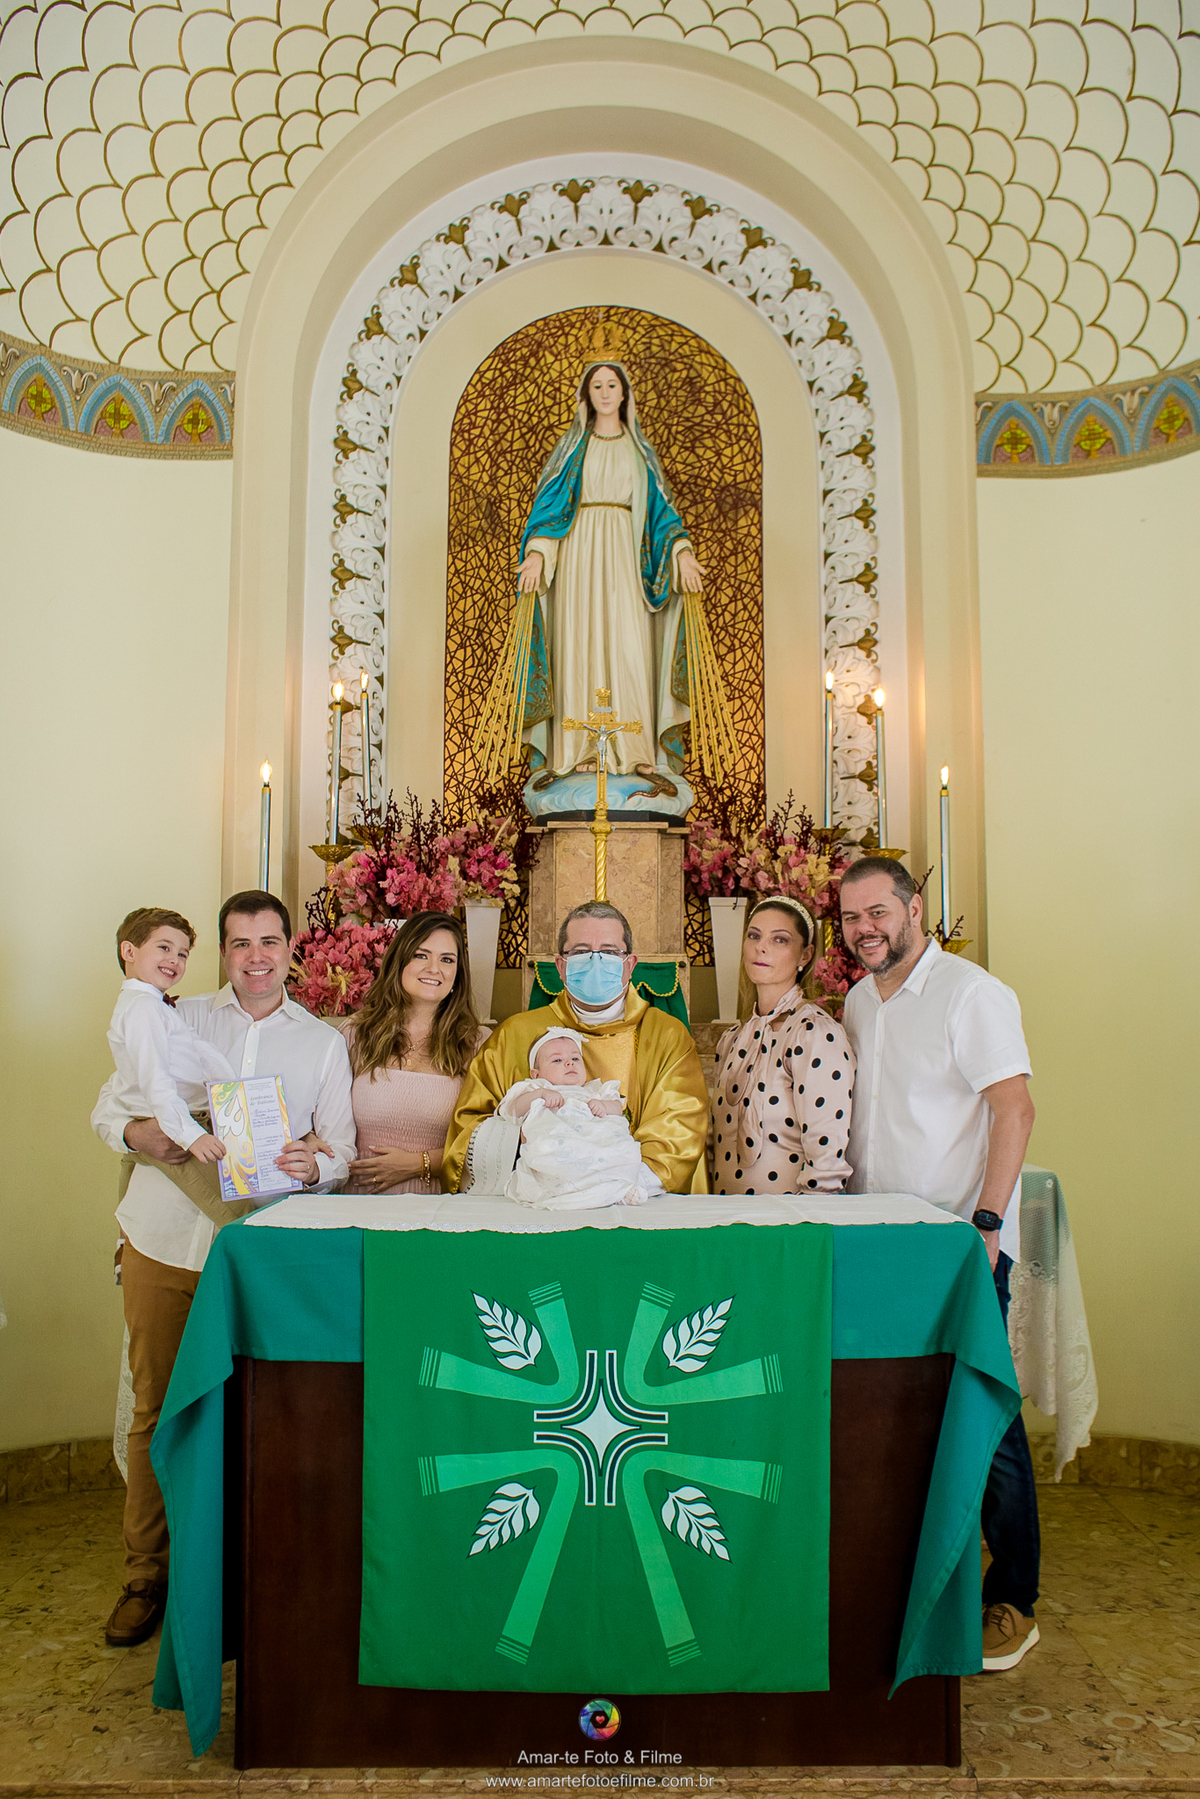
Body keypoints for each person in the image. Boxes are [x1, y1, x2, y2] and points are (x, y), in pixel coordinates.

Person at [91, 890, 356, 1651]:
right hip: (164, 1241)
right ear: (221, 951)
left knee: (255, 1412)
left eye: (269, 942)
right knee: (157, 1407)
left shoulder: (321, 1042)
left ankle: (246, 1575)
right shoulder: (176, 1017)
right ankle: (148, 1575)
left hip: (258, 1256)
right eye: (240, 943)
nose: (256, 957)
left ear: (291, 948)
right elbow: (107, 1110)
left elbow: (341, 1149)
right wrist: (140, 1132)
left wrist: (314, 1164)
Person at [839, 855, 1039, 1673]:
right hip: (881, 1242)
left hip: (956, 1242)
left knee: (984, 1413)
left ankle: (1014, 1597)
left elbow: (1014, 1108)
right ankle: (920, 1576)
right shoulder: (858, 999)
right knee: (899, 1406)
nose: (865, 929)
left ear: (914, 907)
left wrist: (984, 1226)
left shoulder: (970, 993)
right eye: (851, 917)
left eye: (878, 912)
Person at [479, 361, 723, 781]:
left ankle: (635, 749)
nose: (606, 392)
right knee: (579, 643)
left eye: (612, 385)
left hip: (627, 559)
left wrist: (681, 551)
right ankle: (579, 750)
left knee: (630, 646)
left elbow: (661, 517)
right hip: (578, 557)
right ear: (586, 395)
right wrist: (537, 553)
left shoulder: (639, 452)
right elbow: (551, 510)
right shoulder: (574, 450)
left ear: (625, 393)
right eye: (597, 385)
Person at [444, 900, 709, 1195]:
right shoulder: (514, 1035)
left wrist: (611, 1189)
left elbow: (680, 1126)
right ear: (561, 966)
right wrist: (536, 1153)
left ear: (630, 965)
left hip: (634, 1202)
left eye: (609, 952)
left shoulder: (666, 1036)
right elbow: (469, 1125)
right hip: (538, 1202)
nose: (596, 962)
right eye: (581, 952)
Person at [105, 908, 244, 1225]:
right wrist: (191, 1136)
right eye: (164, 948)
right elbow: (156, 1081)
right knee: (236, 1213)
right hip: (171, 1128)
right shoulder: (142, 1008)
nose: (175, 960)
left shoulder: (154, 1006)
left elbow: (201, 1057)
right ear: (129, 951)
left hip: (183, 1120)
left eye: (182, 954)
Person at [711, 896, 854, 1196]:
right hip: (725, 1216)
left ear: (805, 955)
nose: (761, 948)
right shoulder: (732, 1039)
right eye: (754, 936)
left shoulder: (814, 1034)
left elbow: (826, 1165)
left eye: (780, 940)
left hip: (788, 1219)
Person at [340, 912, 487, 1195]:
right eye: (421, 955)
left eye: (447, 960)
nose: (434, 969)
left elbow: (490, 1141)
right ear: (399, 962)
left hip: (437, 1206)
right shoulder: (356, 1034)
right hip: (357, 1204)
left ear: (458, 974)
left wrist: (418, 1164)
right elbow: (322, 1123)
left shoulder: (476, 1044)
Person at [498, 1026, 664, 1210]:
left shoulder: (595, 1091)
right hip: (559, 1143)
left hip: (597, 1143)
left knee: (624, 1150)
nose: (569, 1063)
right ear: (536, 1074)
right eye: (557, 1060)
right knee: (549, 1150)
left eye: (575, 1058)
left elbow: (618, 1109)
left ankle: (617, 1187)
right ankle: (570, 1190)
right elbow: (512, 1110)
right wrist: (541, 1094)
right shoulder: (535, 1089)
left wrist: (604, 1106)